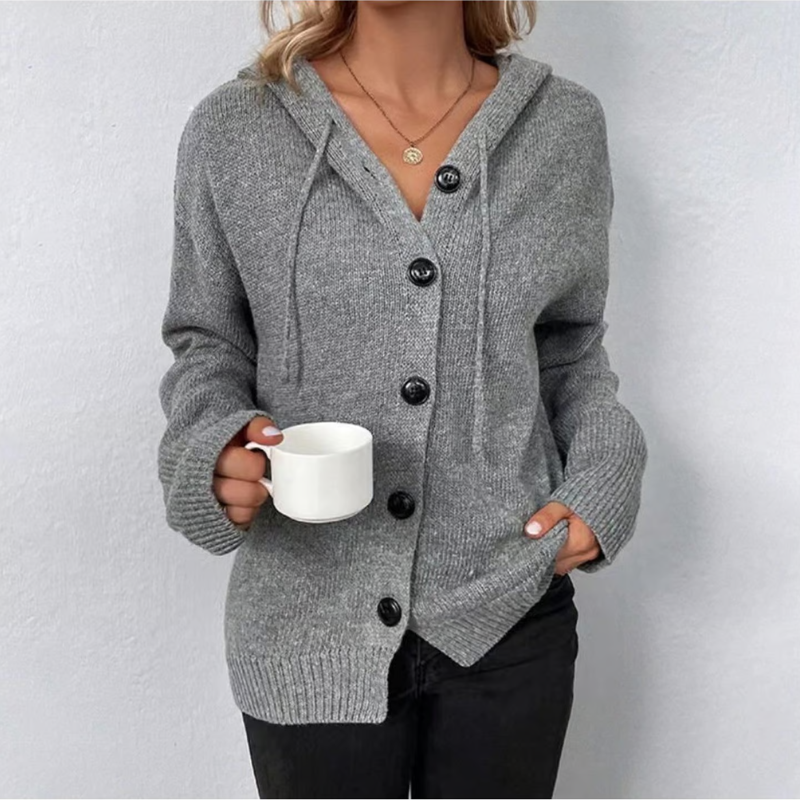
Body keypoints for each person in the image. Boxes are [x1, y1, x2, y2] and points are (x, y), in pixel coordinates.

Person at [156, 1, 649, 797]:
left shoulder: (561, 128)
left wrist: (604, 474)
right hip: (306, 617)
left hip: (509, 609)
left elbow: (570, 348)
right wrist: (214, 448)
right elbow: (207, 344)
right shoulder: (235, 128)